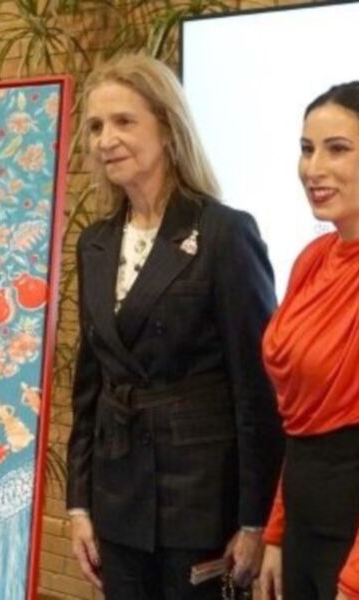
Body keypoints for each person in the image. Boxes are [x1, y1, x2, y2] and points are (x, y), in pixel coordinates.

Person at [66, 53, 284, 599]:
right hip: (117, 500)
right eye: (95, 126)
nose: (106, 140)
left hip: (200, 501)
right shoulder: (94, 244)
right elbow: (88, 387)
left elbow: (256, 390)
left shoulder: (223, 234)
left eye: (123, 121)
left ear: (167, 128)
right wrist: (78, 505)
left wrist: (255, 521)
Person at [259, 82, 359, 600]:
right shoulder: (313, 259)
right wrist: (278, 532)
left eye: (337, 149)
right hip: (304, 519)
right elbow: (297, 419)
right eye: (306, 149)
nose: (313, 168)